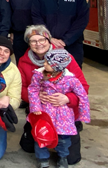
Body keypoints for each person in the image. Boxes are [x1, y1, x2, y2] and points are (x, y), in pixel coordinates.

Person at [18, 25, 89, 165]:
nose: (38, 44)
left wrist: (68, 98)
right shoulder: (24, 61)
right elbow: (22, 88)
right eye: (33, 41)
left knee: (71, 159)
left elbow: (83, 87)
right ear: (29, 43)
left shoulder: (65, 58)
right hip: (41, 111)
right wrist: (36, 97)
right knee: (28, 147)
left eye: (42, 39)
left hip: (64, 112)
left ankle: (72, 130)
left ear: (49, 40)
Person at [28, 49, 91, 168]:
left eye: (47, 62)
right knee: (41, 135)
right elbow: (33, 90)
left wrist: (83, 113)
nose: (44, 64)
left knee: (63, 138)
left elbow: (82, 95)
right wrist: (35, 106)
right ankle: (42, 158)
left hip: (63, 114)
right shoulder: (39, 75)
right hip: (44, 111)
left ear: (57, 66)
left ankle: (63, 157)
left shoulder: (71, 79)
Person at [31, 0, 90, 68]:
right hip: (46, 45)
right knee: (48, 78)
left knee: (73, 77)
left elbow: (82, 21)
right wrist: (49, 38)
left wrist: (65, 41)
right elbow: (36, 18)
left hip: (72, 45)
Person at [7, 0, 47, 64]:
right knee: (21, 62)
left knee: (39, 62)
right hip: (19, 33)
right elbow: (9, 11)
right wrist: (11, 31)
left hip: (37, 33)